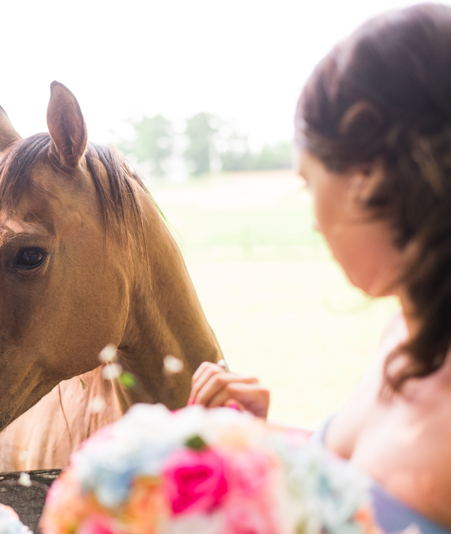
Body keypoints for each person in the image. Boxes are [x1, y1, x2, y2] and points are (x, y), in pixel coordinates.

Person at [189, 4, 451, 533]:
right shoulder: (405, 332)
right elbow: (357, 482)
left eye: (310, 184)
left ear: (367, 176)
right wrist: (260, 441)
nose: (313, 223)